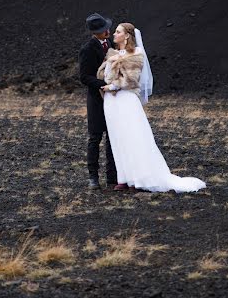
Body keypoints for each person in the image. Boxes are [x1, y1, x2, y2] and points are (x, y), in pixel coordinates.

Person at [97, 22, 206, 193]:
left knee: (133, 136)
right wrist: (110, 69)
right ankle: (124, 178)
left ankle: (140, 177)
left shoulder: (136, 54)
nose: (114, 35)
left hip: (125, 99)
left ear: (127, 35)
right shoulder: (113, 54)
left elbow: (131, 80)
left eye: (118, 32)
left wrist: (112, 86)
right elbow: (105, 76)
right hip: (112, 102)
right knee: (118, 139)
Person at [78, 13, 118, 189]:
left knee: (112, 138)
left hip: (111, 99)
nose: (107, 31)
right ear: (96, 32)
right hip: (96, 100)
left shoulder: (110, 44)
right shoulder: (87, 49)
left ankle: (112, 177)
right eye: (103, 30)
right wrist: (105, 85)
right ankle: (93, 178)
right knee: (95, 138)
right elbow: (84, 77)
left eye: (106, 28)